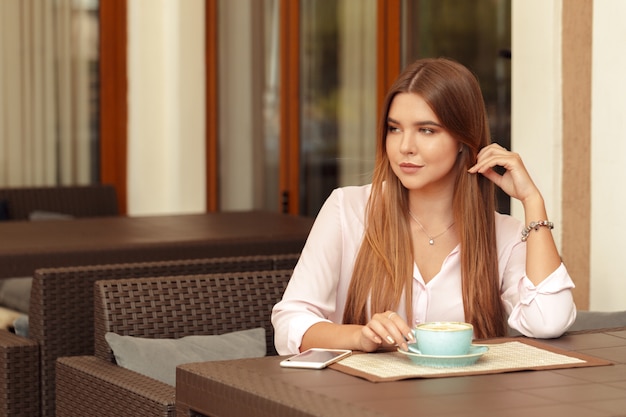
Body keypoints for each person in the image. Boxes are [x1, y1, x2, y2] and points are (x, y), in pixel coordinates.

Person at [271, 57, 576, 355]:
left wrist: (532, 201)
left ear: (463, 140)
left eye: (426, 130)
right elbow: (290, 323)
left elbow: (548, 321)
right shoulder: (346, 210)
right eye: (394, 128)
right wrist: (360, 337)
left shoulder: (504, 235)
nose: (405, 146)